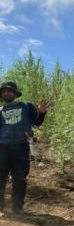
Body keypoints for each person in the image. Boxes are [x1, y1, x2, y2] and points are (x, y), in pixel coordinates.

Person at [0, 81, 49, 215]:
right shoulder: (0, 111)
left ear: (15, 93)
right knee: (0, 177)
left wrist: (42, 113)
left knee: (20, 178)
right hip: (2, 148)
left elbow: (37, 122)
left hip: (21, 148)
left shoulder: (26, 106)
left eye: (9, 91)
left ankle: (17, 207)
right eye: (4, 91)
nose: (6, 93)